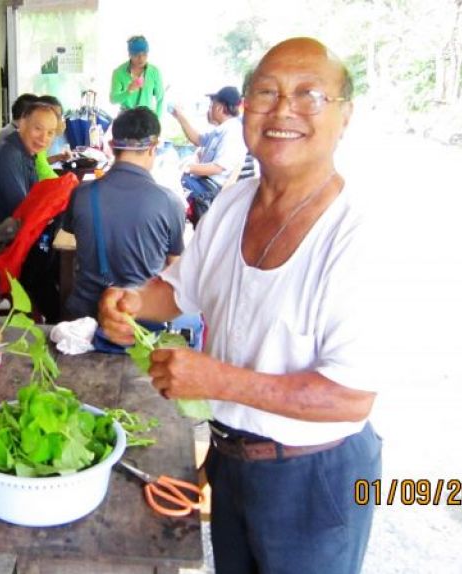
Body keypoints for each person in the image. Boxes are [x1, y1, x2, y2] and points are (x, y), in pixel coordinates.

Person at [98, 37, 381, 574]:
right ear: (246, 108)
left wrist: (217, 381)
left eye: (309, 96)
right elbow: (178, 293)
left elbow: (350, 399)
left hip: (314, 480)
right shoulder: (233, 203)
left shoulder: (357, 235)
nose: (283, 111)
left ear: (345, 117)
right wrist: (132, 300)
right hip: (232, 460)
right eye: (266, 93)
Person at [62, 106, 184, 320]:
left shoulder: (81, 194)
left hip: (84, 319)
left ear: (111, 145)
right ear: (153, 147)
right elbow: (175, 269)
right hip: (138, 323)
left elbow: (70, 241)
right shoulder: (169, 202)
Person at [0, 101, 59, 250]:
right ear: (22, 123)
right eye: (38, 128)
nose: (44, 137)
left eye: (50, 132)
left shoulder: (25, 152)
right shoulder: (11, 154)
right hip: (0, 243)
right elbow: (22, 208)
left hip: (12, 234)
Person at [170, 86, 248, 225]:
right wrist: (180, 117)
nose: (209, 110)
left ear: (219, 107)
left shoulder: (232, 131)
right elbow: (197, 139)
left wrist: (187, 167)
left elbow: (218, 168)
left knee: (169, 190)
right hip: (202, 183)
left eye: (211, 105)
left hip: (209, 189)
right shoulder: (221, 130)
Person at [109, 35, 164, 117]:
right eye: (136, 55)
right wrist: (128, 91)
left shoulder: (154, 72)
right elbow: (113, 100)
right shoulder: (119, 72)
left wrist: (157, 122)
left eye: (144, 54)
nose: (141, 58)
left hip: (146, 118)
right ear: (129, 55)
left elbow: (160, 99)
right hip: (126, 118)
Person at [32, 94, 74, 180]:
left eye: (58, 117)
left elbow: (41, 161)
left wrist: (58, 157)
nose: (56, 121)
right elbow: (43, 171)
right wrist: (53, 133)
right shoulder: (34, 139)